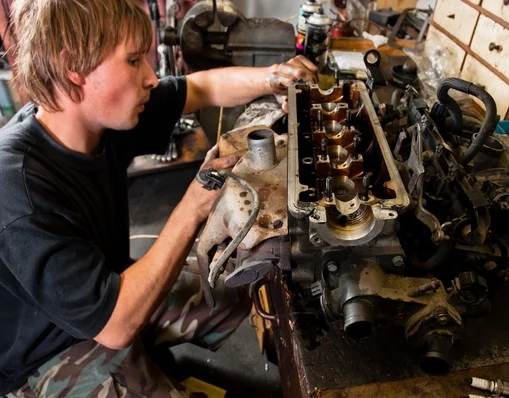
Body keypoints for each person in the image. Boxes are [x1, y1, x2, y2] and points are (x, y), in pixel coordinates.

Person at [0, 0, 317, 396]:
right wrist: (195, 203)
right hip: (47, 355)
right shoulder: (17, 191)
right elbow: (116, 324)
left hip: (109, 293)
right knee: (126, 330)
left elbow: (202, 87)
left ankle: (143, 354)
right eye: (134, 60)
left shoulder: (96, 118)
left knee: (237, 278)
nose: (151, 77)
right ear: (73, 68)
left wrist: (276, 77)